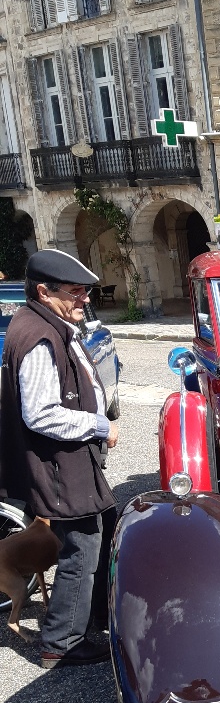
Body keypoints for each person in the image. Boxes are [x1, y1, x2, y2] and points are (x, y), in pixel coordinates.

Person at [0, 250, 117, 669]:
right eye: (76, 291)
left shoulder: (47, 323)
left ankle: (96, 618)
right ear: (44, 291)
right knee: (81, 549)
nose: (85, 299)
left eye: (86, 291)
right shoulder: (38, 335)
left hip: (68, 462)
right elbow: (41, 413)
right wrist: (101, 426)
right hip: (56, 465)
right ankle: (61, 643)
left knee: (105, 524)